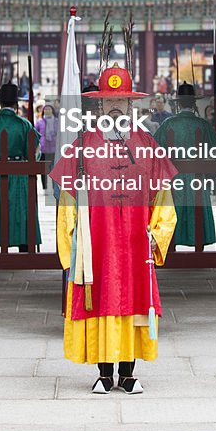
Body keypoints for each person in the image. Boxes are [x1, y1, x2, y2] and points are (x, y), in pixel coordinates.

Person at [50, 66, 177, 395]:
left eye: (122, 101)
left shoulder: (147, 145)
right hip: (98, 239)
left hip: (135, 239)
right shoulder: (82, 146)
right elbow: (67, 198)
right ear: (100, 105)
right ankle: (105, 374)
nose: (116, 106)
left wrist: (157, 232)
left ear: (131, 105)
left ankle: (129, 373)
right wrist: (71, 238)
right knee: (101, 300)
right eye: (109, 100)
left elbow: (164, 197)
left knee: (133, 302)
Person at [154, 81, 216, 247]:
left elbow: (155, 150)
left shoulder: (168, 124)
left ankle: (172, 246)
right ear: (194, 102)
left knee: (174, 208)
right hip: (198, 177)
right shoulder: (203, 125)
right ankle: (199, 246)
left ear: (178, 103)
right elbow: (215, 152)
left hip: (173, 177)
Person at [0, 82, 42, 253]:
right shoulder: (25, 125)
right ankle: (23, 245)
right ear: (16, 104)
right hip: (19, 174)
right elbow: (35, 153)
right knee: (20, 211)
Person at [36, 102, 59, 191]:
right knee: (44, 169)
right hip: (43, 148)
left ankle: (54, 186)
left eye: (49, 109)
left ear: (52, 110)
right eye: (45, 109)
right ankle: (44, 186)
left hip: (54, 148)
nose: (47, 111)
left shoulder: (57, 121)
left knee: (54, 168)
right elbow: (35, 133)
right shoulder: (39, 122)